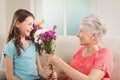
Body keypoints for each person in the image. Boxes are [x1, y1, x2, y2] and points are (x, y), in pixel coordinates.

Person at [46, 14, 114, 80]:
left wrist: (60, 63)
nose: (77, 35)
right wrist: (58, 76)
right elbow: (71, 76)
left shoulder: (105, 55)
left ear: (93, 36)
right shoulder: (80, 51)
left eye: (81, 31)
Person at [2, 9, 53, 80]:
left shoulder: (33, 44)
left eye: (32, 25)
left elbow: (40, 71)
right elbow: (10, 77)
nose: (32, 27)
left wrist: (47, 75)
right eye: (29, 24)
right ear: (18, 24)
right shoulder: (10, 46)